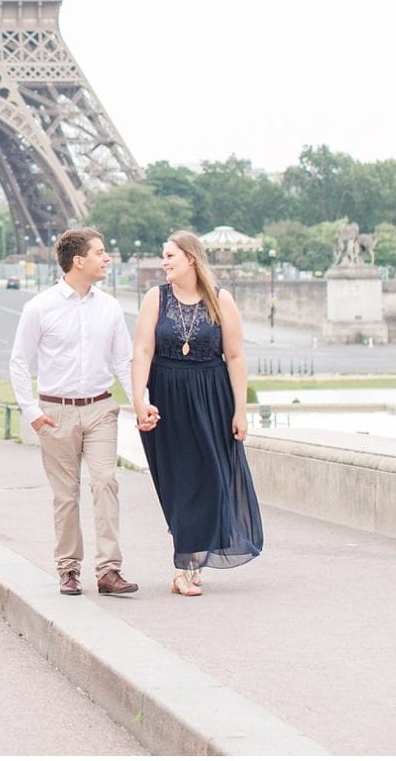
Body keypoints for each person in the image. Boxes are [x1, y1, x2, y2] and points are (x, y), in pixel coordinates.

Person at [9, 228, 140, 597]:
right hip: (55, 412)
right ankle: (68, 568)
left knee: (105, 482)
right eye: (100, 252)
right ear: (78, 261)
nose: (107, 258)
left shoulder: (110, 307)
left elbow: (123, 360)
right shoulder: (39, 308)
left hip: (100, 408)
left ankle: (109, 569)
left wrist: (139, 404)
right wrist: (31, 411)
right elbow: (19, 362)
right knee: (66, 496)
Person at [131, 229, 263, 596]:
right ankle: (185, 563)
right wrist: (139, 400)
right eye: (163, 255)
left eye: (170, 255)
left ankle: (191, 556)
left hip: (212, 396)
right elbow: (142, 350)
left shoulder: (222, 300)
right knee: (180, 482)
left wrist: (241, 411)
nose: (164, 262)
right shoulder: (155, 298)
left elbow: (234, 356)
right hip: (168, 397)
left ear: (191, 258)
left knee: (213, 481)